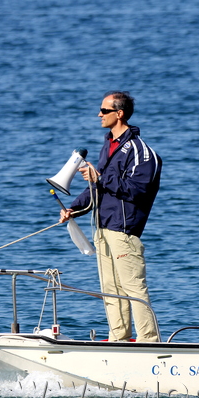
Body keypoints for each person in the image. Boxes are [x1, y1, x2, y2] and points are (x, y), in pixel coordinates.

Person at [59, 91, 162, 343]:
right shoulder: (108, 146)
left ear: (119, 114)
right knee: (110, 289)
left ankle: (149, 341)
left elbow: (138, 190)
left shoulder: (141, 151)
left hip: (124, 233)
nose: (99, 115)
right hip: (103, 230)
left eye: (104, 111)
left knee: (134, 289)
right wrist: (74, 208)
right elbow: (99, 189)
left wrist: (101, 177)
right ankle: (119, 339)